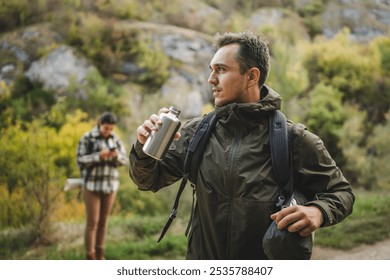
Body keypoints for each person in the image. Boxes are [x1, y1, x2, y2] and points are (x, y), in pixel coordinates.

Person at [129, 31, 355, 259]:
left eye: (221, 69)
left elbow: (341, 193)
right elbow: (148, 179)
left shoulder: (293, 138)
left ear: (251, 76)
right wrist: (143, 149)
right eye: (211, 70)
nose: (211, 79)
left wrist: (318, 211)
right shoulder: (195, 133)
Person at [77, 112, 128, 260]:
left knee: (103, 222)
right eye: (106, 128)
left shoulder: (115, 139)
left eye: (111, 129)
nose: (108, 131)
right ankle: (90, 255)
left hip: (110, 185)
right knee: (92, 222)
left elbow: (124, 160)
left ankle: (100, 254)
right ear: (100, 124)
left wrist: (115, 156)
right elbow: (80, 160)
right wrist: (98, 156)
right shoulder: (88, 138)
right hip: (91, 185)